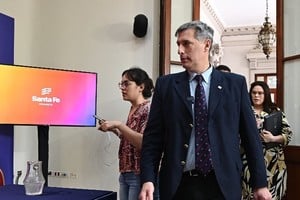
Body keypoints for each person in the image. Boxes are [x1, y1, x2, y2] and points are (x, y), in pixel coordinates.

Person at [139, 20, 272, 200]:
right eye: (178, 44)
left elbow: (250, 137)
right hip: (179, 184)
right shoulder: (166, 85)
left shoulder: (234, 84)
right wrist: (148, 179)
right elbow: (153, 138)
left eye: (186, 43)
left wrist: (260, 183)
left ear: (206, 45)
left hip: (222, 184)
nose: (180, 50)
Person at [97, 67, 157, 200]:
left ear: (141, 87)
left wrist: (119, 125)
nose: (122, 88)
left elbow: (143, 143)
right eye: (121, 84)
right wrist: (115, 130)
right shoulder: (133, 109)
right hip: (125, 172)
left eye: (127, 84)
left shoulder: (148, 109)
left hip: (139, 173)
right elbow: (130, 140)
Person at [241, 81, 293, 200]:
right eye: (254, 93)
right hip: (249, 162)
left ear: (266, 94)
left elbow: (288, 134)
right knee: (250, 195)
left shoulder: (275, 111)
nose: (256, 96)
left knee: (272, 196)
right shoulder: (244, 111)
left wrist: (272, 138)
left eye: (260, 93)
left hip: (274, 164)